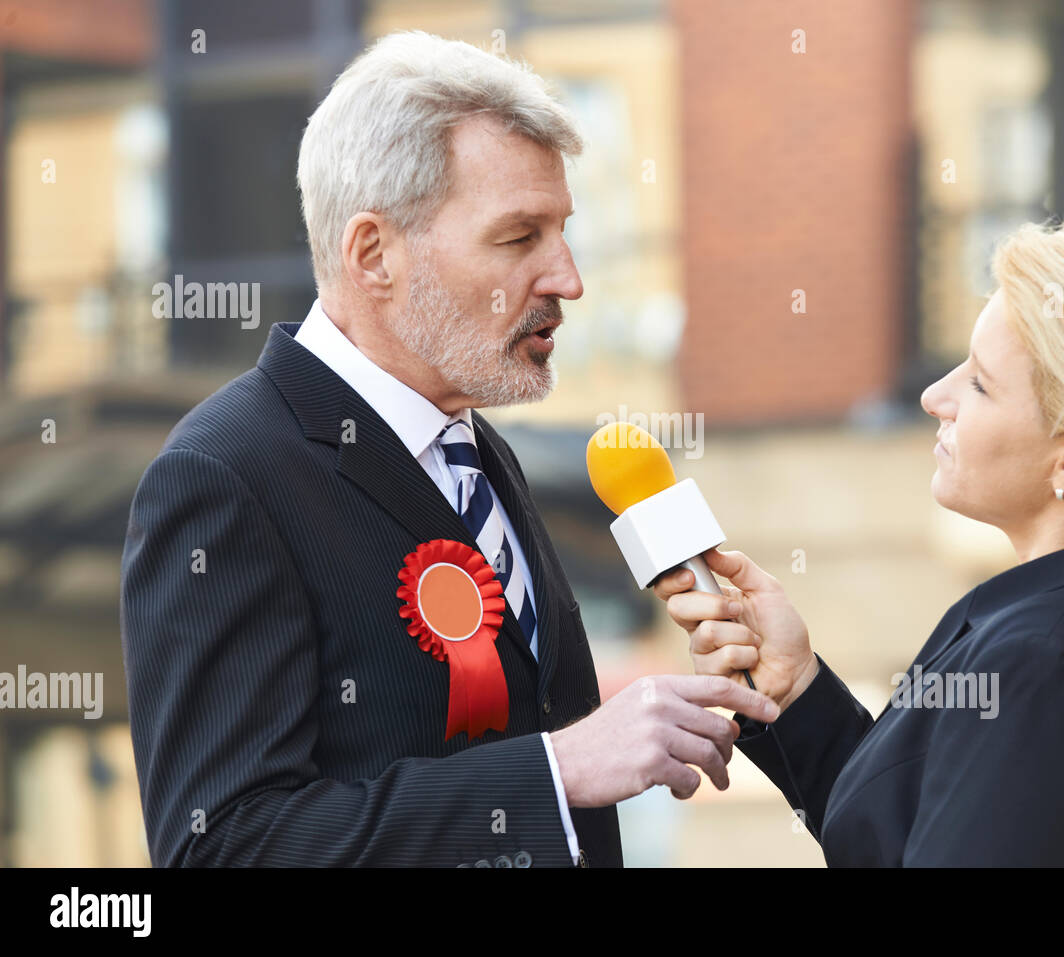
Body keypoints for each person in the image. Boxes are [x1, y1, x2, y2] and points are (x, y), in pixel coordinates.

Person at [120, 31, 776, 869]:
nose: (568, 278)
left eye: (564, 230)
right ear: (374, 254)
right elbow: (223, 846)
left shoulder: (475, 447)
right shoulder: (222, 478)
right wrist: (556, 771)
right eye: (518, 238)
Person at [652, 217, 1064, 866]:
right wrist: (795, 691)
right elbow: (917, 834)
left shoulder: (1042, 660)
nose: (934, 395)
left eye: (980, 382)